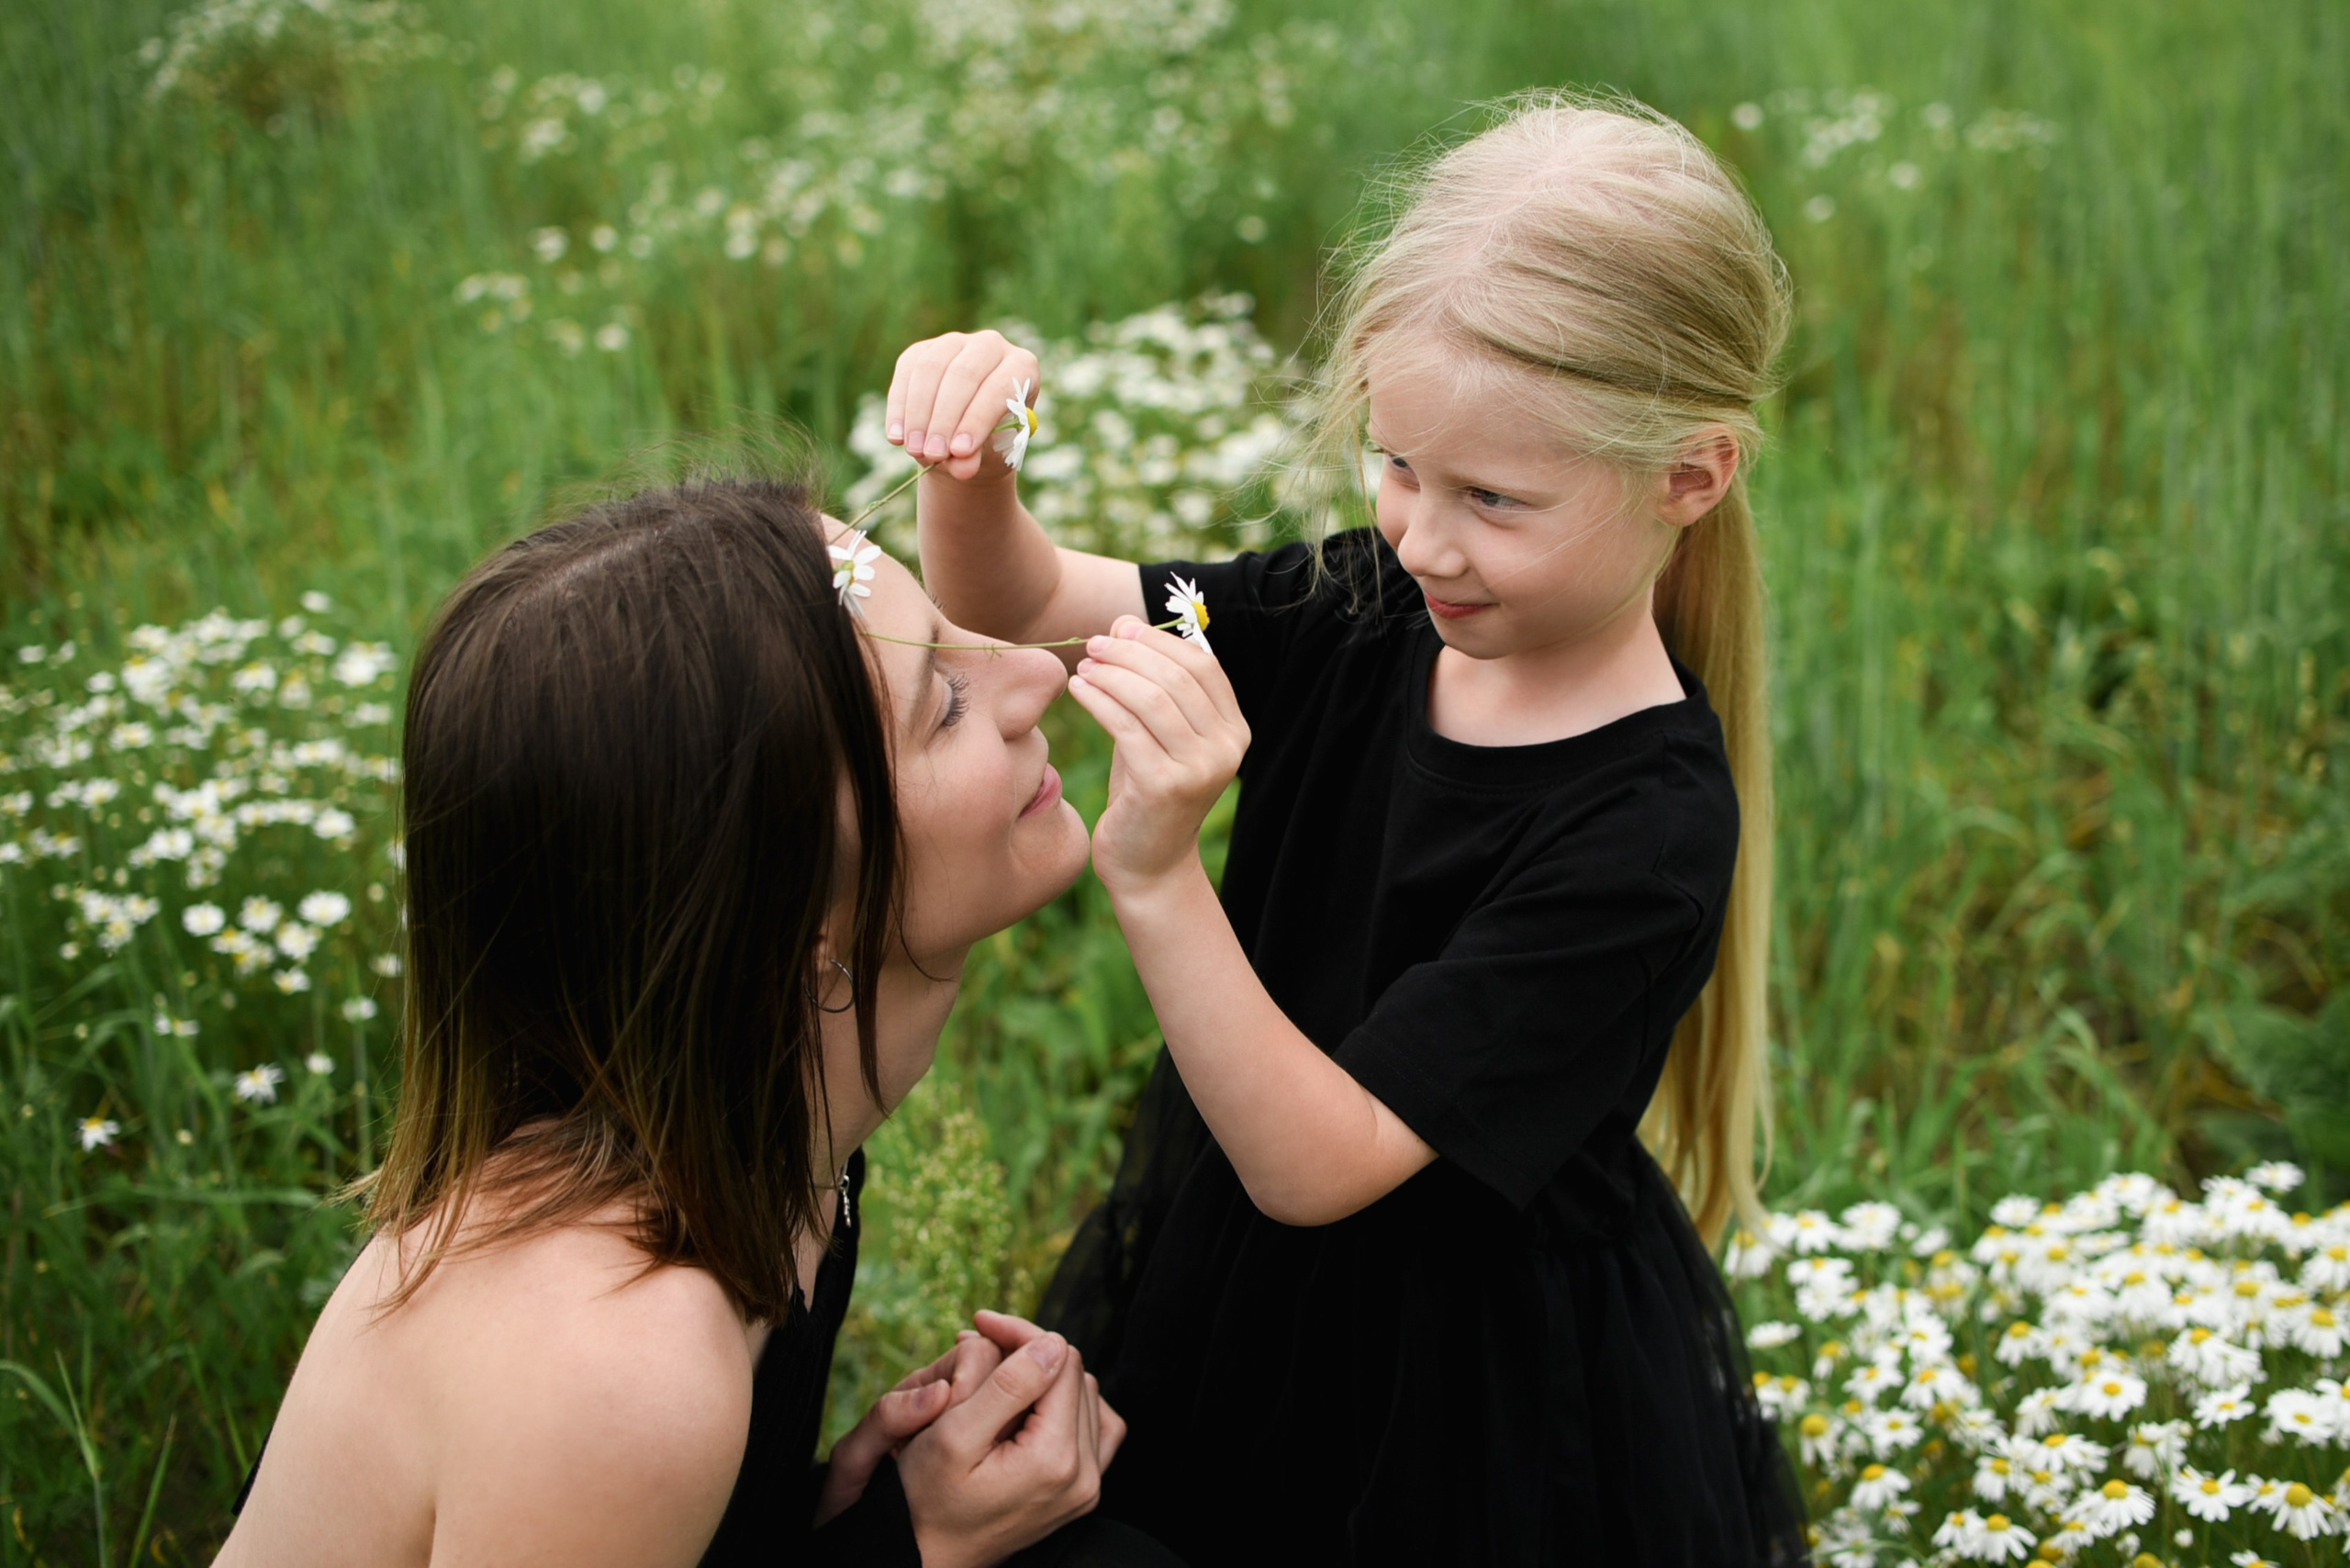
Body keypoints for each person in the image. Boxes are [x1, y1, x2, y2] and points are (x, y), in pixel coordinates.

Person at [886, 95, 1811, 1565]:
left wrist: (1153, 868)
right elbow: (1026, 606)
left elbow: (1321, 1166)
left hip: (1477, 1395)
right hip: (1248, 1291)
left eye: (1495, 500)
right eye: (1398, 468)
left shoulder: (1644, 829)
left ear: (1688, 477)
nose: (1425, 537)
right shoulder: (1358, 606)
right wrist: (971, 474)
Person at [215, 476, 1185, 1568]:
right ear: (790, 913)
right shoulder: (619, 1356)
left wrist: (837, 1512)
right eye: (943, 704)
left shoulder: (756, 1148)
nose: (1035, 669)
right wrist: (914, 1544)